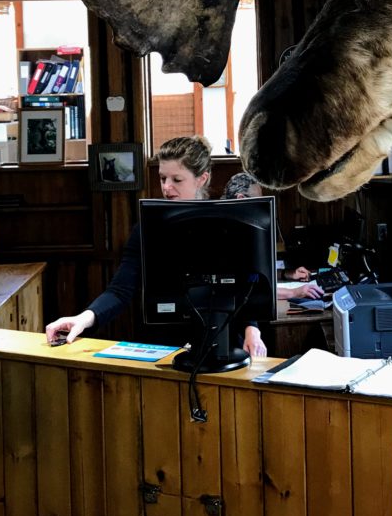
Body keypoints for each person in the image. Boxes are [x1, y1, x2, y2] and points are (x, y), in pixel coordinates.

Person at [46, 135, 277, 355]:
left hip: (224, 342)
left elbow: (245, 286)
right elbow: (120, 290)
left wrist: (252, 330)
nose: (166, 187)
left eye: (177, 180)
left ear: (202, 178)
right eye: (162, 178)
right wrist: (84, 318)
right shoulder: (145, 228)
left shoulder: (230, 224)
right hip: (163, 345)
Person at [222, 171, 323, 299]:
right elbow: (244, 285)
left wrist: (286, 274)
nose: (261, 209)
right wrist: (293, 292)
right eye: (259, 202)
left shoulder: (239, 226)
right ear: (241, 199)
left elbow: (252, 275)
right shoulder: (226, 233)